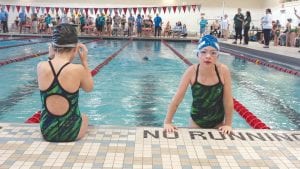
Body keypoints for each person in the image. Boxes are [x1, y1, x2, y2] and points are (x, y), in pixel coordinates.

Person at [163, 35, 233, 134]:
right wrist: (167, 122)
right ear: (197, 54)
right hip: (196, 123)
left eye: (213, 53)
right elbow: (178, 98)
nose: (208, 56)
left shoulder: (223, 71)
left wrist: (228, 124)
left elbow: (228, 100)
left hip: (218, 124)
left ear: (217, 55)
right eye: (203, 52)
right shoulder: (191, 72)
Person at [37, 23, 93, 142]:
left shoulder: (41, 67)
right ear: (75, 49)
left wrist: (50, 56)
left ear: (53, 47)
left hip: (47, 131)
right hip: (72, 132)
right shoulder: (78, 69)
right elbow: (89, 88)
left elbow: (52, 66)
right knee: (85, 118)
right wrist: (84, 62)